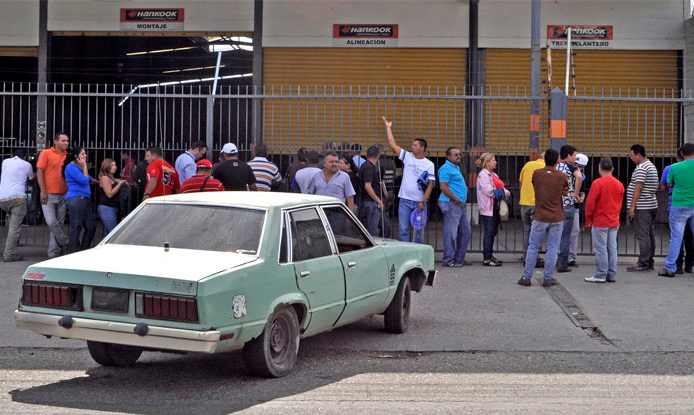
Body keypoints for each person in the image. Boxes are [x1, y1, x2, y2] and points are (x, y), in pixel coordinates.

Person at [518, 148, 568, 287]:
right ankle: (547, 278)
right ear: (558, 159)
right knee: (552, 248)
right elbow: (565, 191)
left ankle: (526, 276)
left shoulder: (537, 173)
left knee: (533, 246)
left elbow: (535, 187)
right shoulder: (562, 176)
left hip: (540, 215)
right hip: (556, 216)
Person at [381, 116, 435, 243]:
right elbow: (392, 145)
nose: (412, 146)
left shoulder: (429, 164)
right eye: (412, 144)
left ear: (422, 148)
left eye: (415, 145)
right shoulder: (408, 157)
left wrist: (423, 201)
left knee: (418, 230)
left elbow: (430, 185)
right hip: (405, 200)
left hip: (419, 202)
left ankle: (416, 252)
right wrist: (388, 128)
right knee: (403, 230)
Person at [584, 157, 624, 283]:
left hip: (600, 220)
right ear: (612, 169)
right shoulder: (619, 184)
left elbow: (590, 203)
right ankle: (612, 274)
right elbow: (620, 203)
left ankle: (601, 274)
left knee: (600, 248)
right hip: (614, 220)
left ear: (599, 168)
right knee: (612, 248)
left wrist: (588, 218)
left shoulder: (597, 183)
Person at [659, 143, 694, 278]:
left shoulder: (674, 167)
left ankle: (670, 267)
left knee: (676, 238)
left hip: (679, 205)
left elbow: (668, 184)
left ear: (682, 154)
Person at [626, 143, 659, 272]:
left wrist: (632, 206)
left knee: (643, 235)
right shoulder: (651, 166)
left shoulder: (641, 168)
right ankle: (649, 261)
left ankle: (644, 263)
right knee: (649, 234)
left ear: (638, 155)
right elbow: (655, 185)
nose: (631, 158)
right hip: (651, 204)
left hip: (643, 207)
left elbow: (638, 188)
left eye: (632, 155)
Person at [36, 132, 70, 257]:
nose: (66, 143)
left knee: (58, 224)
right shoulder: (46, 153)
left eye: (67, 141)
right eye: (63, 140)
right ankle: (65, 242)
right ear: (55, 142)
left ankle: (53, 253)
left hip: (63, 194)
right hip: (48, 195)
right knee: (51, 222)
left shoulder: (68, 155)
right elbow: (39, 172)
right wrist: (43, 191)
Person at [437, 147, 472, 267]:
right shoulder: (445, 168)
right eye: (455, 154)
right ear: (448, 157)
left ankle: (459, 258)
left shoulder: (455, 168)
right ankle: (448, 260)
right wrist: (455, 198)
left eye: (460, 154)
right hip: (451, 203)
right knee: (451, 232)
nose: (459, 156)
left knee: (465, 231)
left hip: (458, 205)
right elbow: (443, 186)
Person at [0, 149, 35, 261]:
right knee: (14, 228)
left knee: (11, 224)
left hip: (3, 199)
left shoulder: (5, 162)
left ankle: (12, 246)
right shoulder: (27, 165)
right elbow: (31, 179)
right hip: (18, 199)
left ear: (12, 155)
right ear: (25, 157)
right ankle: (9, 254)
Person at [476, 152, 509, 267]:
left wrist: (503, 192)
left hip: (495, 206)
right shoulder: (483, 175)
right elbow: (489, 191)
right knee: (489, 232)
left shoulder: (493, 174)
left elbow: (502, 189)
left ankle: (490, 254)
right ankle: (486, 258)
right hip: (488, 207)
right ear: (487, 162)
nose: (496, 162)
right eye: (493, 160)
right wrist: (503, 192)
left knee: (493, 232)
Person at [555, 145, 583, 273]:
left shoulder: (557, 166)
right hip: (568, 204)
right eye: (574, 155)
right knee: (566, 236)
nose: (576, 157)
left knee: (555, 234)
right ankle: (563, 264)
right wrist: (576, 194)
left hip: (556, 204)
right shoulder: (571, 167)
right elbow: (578, 177)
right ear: (568, 156)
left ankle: (555, 259)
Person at [63, 147, 96, 253]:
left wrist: (100, 182)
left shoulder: (79, 168)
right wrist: (85, 166)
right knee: (76, 226)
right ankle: (73, 252)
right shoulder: (71, 167)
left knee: (91, 227)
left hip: (85, 199)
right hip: (76, 199)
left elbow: (89, 178)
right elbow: (84, 180)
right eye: (83, 154)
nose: (85, 156)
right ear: (76, 156)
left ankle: (83, 251)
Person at [518, 152, 546, 267]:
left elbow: (521, 182)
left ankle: (526, 256)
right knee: (536, 233)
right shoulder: (545, 167)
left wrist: (523, 196)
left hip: (524, 203)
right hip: (536, 203)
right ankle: (533, 258)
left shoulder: (527, 165)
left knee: (527, 231)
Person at [359, 145, 391, 238]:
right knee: (373, 231)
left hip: (372, 203)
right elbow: (368, 186)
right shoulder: (368, 167)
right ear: (378, 155)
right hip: (371, 203)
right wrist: (379, 201)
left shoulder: (368, 166)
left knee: (386, 228)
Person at [97, 158, 129, 237]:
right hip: (106, 208)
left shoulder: (110, 177)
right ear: (106, 166)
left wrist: (123, 181)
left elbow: (116, 180)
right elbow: (109, 194)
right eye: (112, 166)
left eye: (115, 165)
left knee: (107, 234)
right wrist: (120, 184)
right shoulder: (104, 178)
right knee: (114, 234)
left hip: (112, 208)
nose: (115, 167)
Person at [569, 153, 589, 266]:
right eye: (579, 166)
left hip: (575, 206)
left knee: (575, 231)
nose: (580, 169)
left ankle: (571, 257)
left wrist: (581, 197)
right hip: (565, 205)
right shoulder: (566, 174)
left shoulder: (582, 176)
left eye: (582, 167)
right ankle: (560, 255)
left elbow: (583, 191)